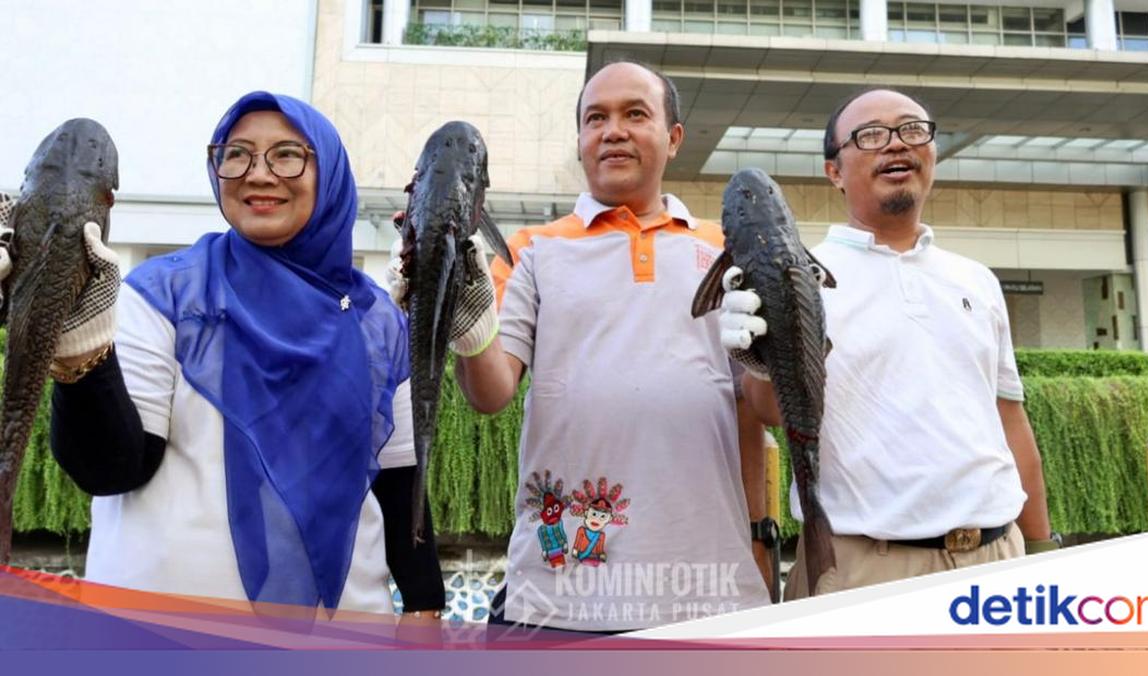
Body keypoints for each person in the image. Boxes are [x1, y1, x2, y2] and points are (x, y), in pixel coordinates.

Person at [0, 92, 442, 617]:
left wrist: (424, 611)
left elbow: (401, 491)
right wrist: (77, 345)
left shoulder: (377, 322)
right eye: (236, 154)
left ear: (331, 174)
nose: (258, 173)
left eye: (287, 154)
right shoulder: (161, 294)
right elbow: (112, 468)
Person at [388, 61, 771, 632]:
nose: (612, 130)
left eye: (634, 114)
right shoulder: (530, 250)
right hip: (562, 589)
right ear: (580, 140)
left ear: (674, 137)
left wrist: (768, 359)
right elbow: (491, 393)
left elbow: (767, 411)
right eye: (596, 118)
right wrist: (468, 322)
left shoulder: (728, 250)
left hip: (706, 584)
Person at [724, 88, 1059, 599]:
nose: (896, 145)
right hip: (862, 569)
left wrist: (1040, 551)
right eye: (871, 136)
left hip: (999, 560)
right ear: (833, 170)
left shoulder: (977, 281)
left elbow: (1010, 422)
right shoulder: (803, 278)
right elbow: (772, 411)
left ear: (933, 153)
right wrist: (760, 360)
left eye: (912, 130)